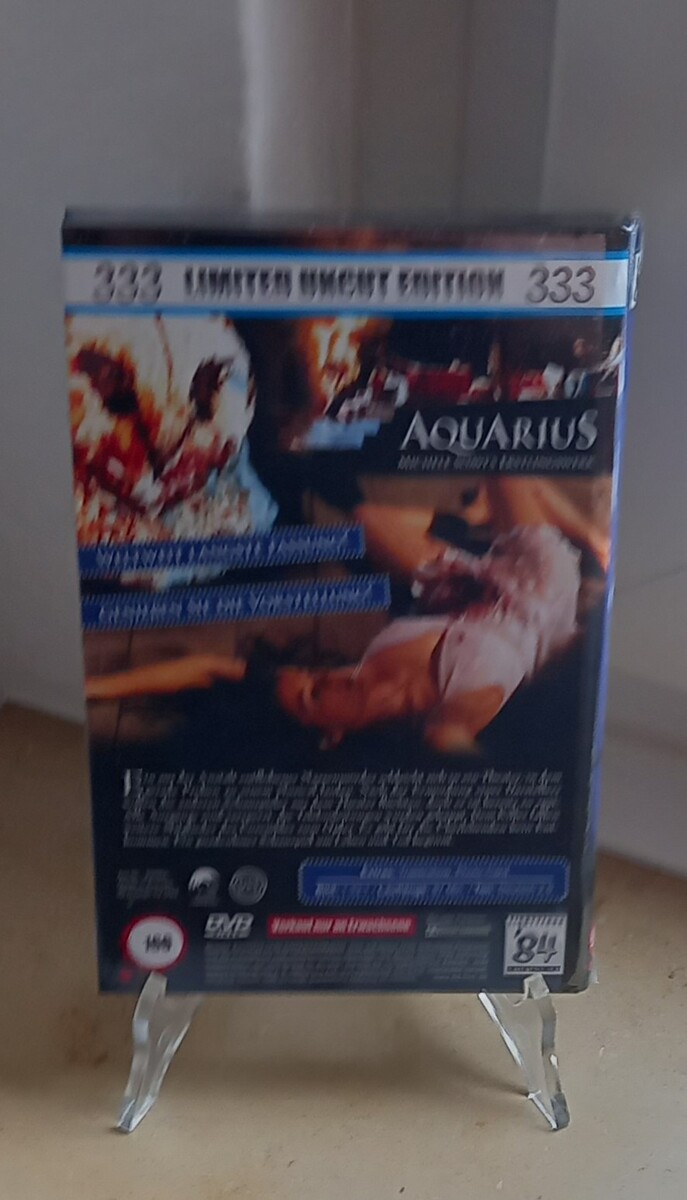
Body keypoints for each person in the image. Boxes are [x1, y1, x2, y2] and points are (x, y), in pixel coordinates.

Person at [86, 480, 609, 753]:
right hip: (538, 600)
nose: (329, 676)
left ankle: (480, 518)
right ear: (330, 735)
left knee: (366, 519)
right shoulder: (438, 723)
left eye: (314, 675)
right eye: (316, 694)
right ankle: (590, 539)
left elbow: (206, 669)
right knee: (508, 458)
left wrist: (96, 687)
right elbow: (464, 755)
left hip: (464, 590)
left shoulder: (349, 675)